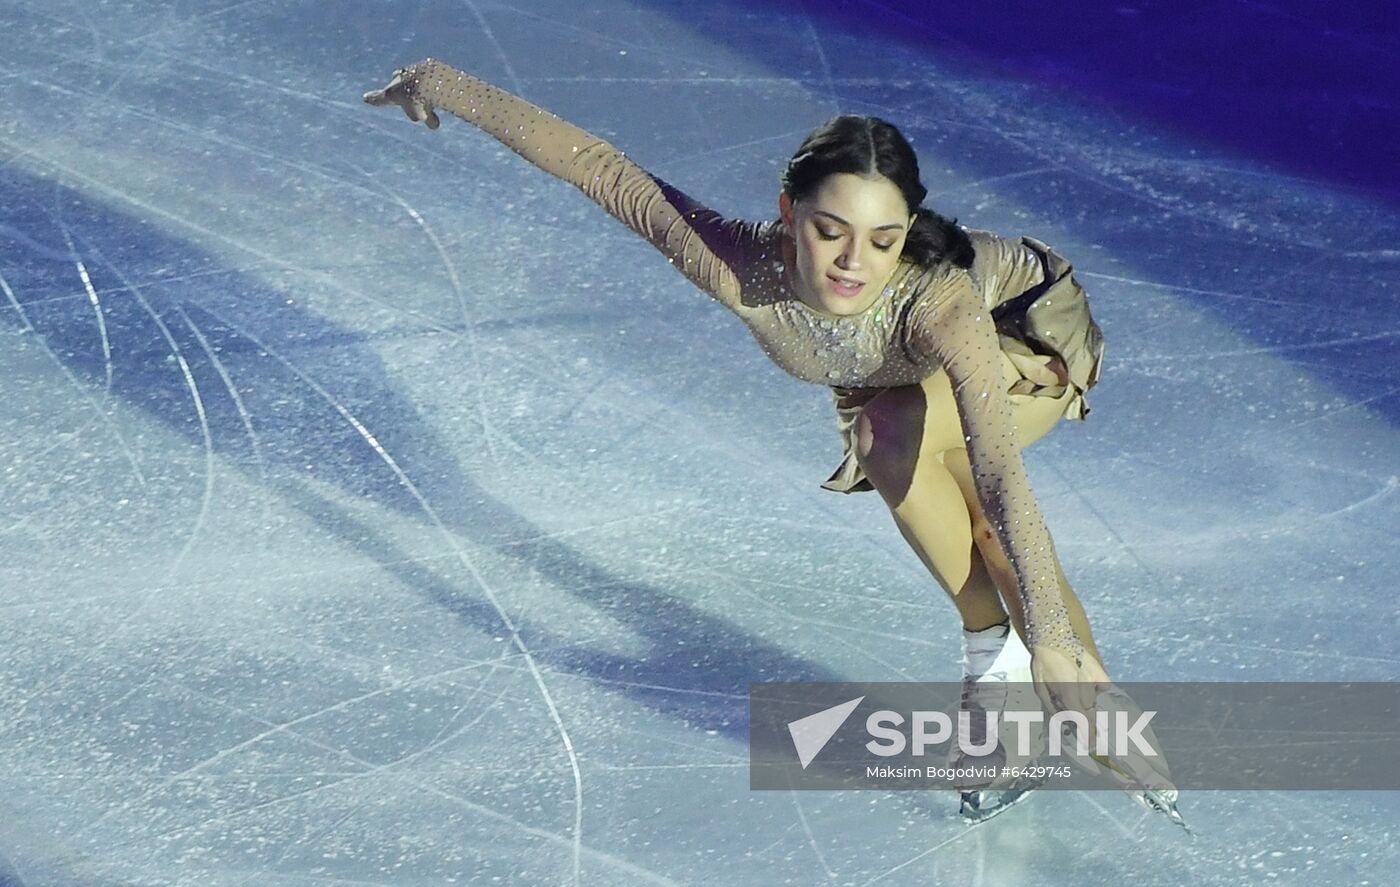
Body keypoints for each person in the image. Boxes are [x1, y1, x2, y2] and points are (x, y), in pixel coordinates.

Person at [364, 58, 1183, 827]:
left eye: (883, 239)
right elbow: (603, 169)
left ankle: (1080, 686)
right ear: (789, 214)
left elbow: (1002, 472)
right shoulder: (737, 265)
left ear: (907, 234)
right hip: (894, 381)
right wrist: (440, 81)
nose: (855, 263)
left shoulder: (938, 302)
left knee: (956, 491)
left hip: (1023, 329)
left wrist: (1054, 639)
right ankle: (992, 655)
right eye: (831, 231)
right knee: (892, 438)